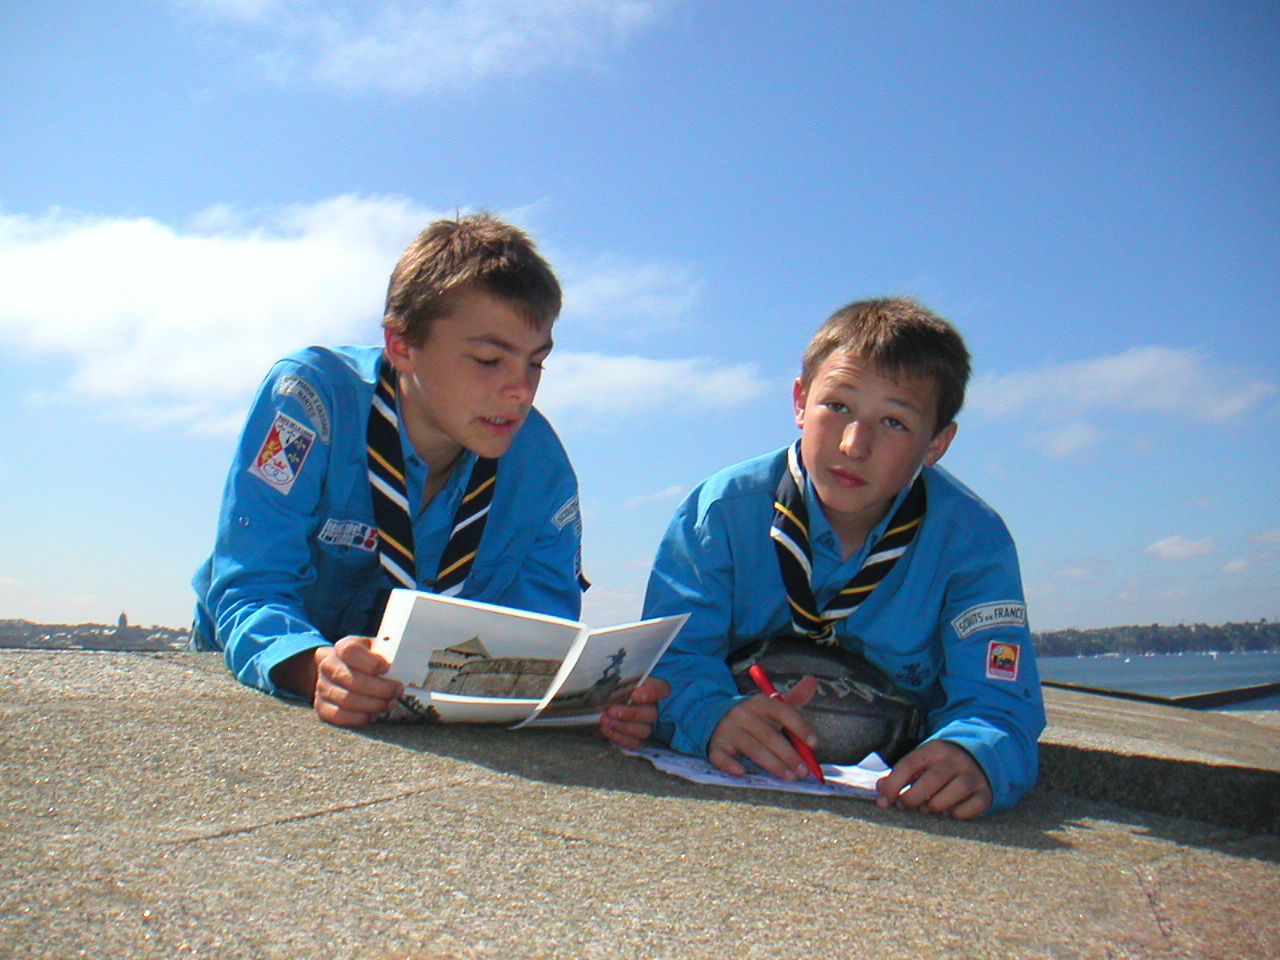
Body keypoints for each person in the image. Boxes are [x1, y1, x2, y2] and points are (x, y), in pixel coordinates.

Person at [601, 297, 1045, 818]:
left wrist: (975, 756)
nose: (855, 445)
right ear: (798, 401)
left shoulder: (974, 544)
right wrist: (711, 715)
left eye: (895, 423)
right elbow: (672, 657)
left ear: (937, 443)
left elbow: (1000, 702)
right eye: (837, 407)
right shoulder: (719, 514)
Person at [191, 213, 593, 727]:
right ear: (402, 345)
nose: (519, 391)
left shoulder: (541, 469)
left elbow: (541, 636)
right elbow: (250, 587)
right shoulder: (312, 404)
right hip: (266, 684)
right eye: (490, 360)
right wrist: (315, 670)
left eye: (536, 363)